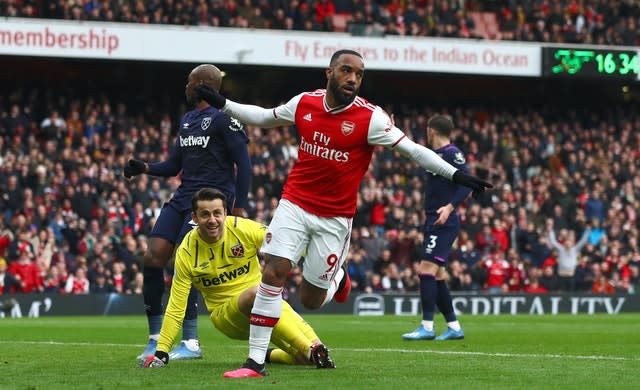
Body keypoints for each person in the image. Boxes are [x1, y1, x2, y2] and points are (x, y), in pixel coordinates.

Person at [195, 49, 492, 378]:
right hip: (295, 203)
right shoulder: (306, 103)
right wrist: (222, 103)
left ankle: (338, 279)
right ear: (329, 73)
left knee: (310, 299)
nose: (352, 78)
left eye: (359, 74)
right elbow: (265, 117)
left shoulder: (371, 118)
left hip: (334, 219)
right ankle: (254, 363)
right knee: (273, 272)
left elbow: (413, 150)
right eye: (346, 71)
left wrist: (456, 174)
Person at [124, 64, 252, 362]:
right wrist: (143, 168)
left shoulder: (225, 120)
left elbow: (244, 165)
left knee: (185, 259)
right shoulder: (188, 120)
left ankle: (191, 342)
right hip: (184, 196)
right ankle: (155, 337)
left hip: (211, 200)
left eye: (188, 82)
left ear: (202, 84)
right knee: (153, 257)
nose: (185, 87)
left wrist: (240, 207)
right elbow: (173, 166)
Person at [141, 188, 334, 373]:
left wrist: (320, 261)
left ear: (226, 213)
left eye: (217, 213)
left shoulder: (243, 228)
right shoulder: (187, 251)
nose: (212, 220)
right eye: (205, 214)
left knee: (306, 359)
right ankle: (310, 348)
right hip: (227, 315)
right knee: (260, 293)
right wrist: (161, 352)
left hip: (266, 303)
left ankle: (282, 354)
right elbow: (176, 307)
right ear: (194, 218)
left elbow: (284, 244)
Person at [401, 114, 469, 342]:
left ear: (431, 131)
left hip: (443, 220)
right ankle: (454, 327)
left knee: (426, 271)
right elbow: (409, 150)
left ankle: (427, 326)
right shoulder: (433, 155)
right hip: (433, 220)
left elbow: (465, 184)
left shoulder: (452, 154)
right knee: (438, 275)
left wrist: (449, 208)